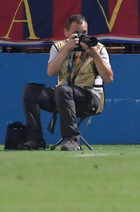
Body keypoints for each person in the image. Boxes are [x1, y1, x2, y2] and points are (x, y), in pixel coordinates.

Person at [17, 14, 113, 151]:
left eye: (84, 33)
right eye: (76, 33)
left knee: (63, 90)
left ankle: (72, 140)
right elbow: (51, 72)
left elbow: (109, 79)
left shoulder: (98, 48)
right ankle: (35, 139)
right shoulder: (58, 47)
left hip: (89, 98)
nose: (80, 36)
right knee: (30, 91)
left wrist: (95, 54)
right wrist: (66, 50)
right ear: (66, 33)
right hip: (63, 96)